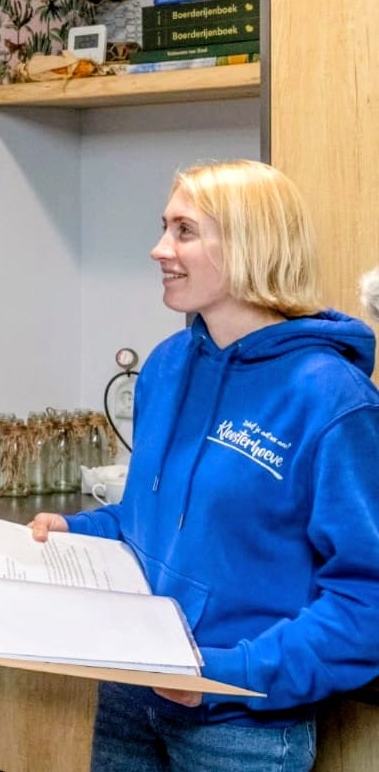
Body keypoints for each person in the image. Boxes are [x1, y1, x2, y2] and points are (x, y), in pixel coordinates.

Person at [31, 160, 379, 772]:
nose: (159, 249)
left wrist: (229, 671)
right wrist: (76, 531)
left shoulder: (332, 398)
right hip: (130, 690)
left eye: (185, 231)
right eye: (164, 227)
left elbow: (366, 597)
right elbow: (152, 520)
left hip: (240, 721)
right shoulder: (167, 365)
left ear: (250, 244)